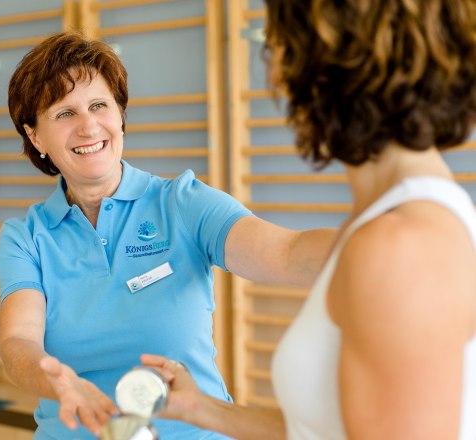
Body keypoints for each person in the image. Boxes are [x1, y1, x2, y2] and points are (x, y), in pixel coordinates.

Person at [142, 0, 476, 439]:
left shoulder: (400, 246)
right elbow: (325, 427)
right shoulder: (391, 218)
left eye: (280, 48)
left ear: (336, 63)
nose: (275, 76)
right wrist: (203, 410)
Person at [0, 31, 334, 440]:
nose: (88, 126)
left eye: (99, 105)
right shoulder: (26, 238)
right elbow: (17, 341)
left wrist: (383, 243)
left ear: (119, 116)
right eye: (64, 113)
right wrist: (58, 381)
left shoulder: (183, 202)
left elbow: (287, 252)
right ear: (35, 136)